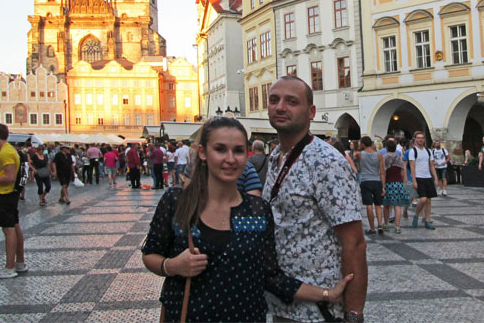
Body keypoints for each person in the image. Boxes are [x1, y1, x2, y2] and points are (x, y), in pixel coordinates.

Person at [141, 117, 353, 322]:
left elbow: (271, 276)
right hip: (189, 314)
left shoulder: (256, 211)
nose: (231, 159)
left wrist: (327, 294)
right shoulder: (177, 202)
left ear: (247, 155)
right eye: (220, 149)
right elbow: (150, 254)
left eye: (239, 151)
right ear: (203, 153)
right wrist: (172, 266)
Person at [262, 76, 367, 322]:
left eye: (291, 101)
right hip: (283, 303)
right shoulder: (276, 156)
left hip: (319, 310)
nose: (280, 107)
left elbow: (354, 242)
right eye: (274, 100)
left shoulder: (326, 162)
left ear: (311, 112)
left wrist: (353, 314)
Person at [0, 123, 27, 279]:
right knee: (14, 227)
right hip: (11, 194)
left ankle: (9, 268)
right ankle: (20, 263)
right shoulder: (8, 150)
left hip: (5, 194)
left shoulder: (6, 152)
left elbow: (9, 177)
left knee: (8, 230)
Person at [407, 131, 439, 230]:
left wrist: (436, 178)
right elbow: (412, 166)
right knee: (423, 198)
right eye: (418, 138)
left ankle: (427, 220)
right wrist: (414, 180)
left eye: (422, 138)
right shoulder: (413, 151)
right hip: (419, 177)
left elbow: (431, 165)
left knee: (429, 200)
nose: (420, 140)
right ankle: (416, 215)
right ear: (415, 139)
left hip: (428, 177)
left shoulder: (428, 151)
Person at [358, 136, 385, 235]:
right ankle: (380, 224)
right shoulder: (379, 155)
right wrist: (383, 185)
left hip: (365, 181)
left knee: (369, 205)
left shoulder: (360, 154)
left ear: (363, 144)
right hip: (377, 180)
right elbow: (382, 171)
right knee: (378, 205)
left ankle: (372, 228)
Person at [381, 139, 409, 234]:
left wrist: (382, 185)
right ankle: (397, 226)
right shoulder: (399, 157)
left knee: (386, 205)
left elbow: (382, 172)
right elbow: (402, 172)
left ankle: (385, 224)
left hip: (388, 183)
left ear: (387, 148)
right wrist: (403, 181)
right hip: (398, 183)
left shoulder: (384, 158)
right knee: (397, 205)